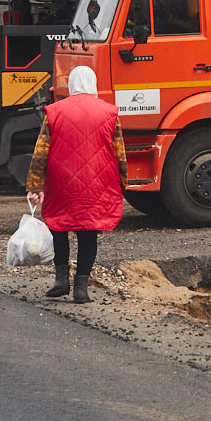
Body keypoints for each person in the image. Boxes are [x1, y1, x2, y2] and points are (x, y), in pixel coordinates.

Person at [25, 65, 127, 303]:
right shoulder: (109, 112)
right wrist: (122, 183)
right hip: (97, 181)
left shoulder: (55, 111)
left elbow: (41, 152)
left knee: (59, 226)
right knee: (88, 231)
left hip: (61, 179)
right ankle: (81, 287)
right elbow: (119, 152)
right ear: (93, 83)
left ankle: (61, 279)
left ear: (71, 84)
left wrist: (35, 185)